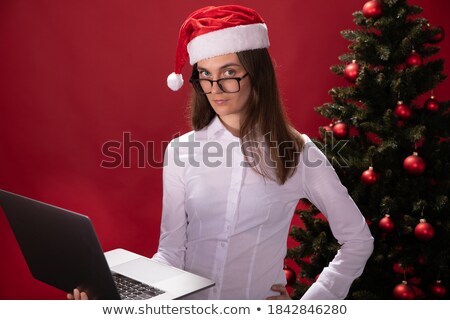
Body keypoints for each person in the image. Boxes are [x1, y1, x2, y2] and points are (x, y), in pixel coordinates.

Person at [69, 4, 373, 300]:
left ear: (257, 75)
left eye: (228, 72)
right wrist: (117, 295)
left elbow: (358, 241)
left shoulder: (298, 153)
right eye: (204, 74)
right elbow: (172, 253)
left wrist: (310, 304)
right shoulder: (182, 152)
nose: (214, 87)